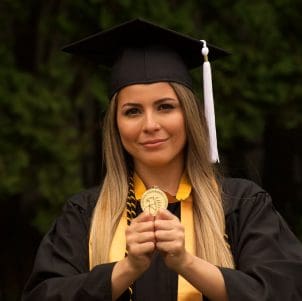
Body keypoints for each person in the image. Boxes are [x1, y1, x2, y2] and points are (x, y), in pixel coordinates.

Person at [22, 19, 302, 301]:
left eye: (165, 107)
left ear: (189, 116)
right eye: (132, 111)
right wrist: (127, 268)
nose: (150, 124)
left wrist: (187, 263)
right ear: (115, 125)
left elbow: (284, 291)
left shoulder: (241, 205)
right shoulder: (85, 215)